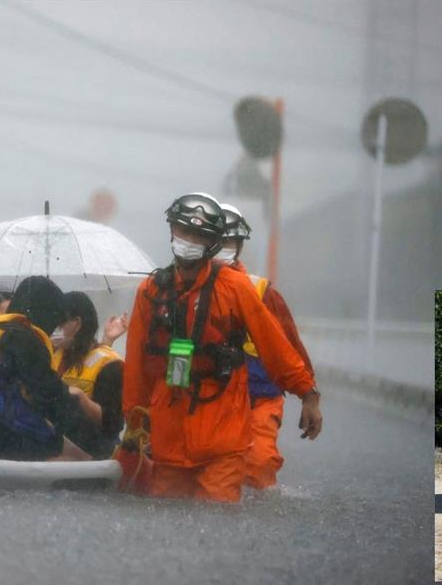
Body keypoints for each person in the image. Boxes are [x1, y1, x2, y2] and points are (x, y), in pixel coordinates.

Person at [122, 193, 323, 503]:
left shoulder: (236, 287)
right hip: (169, 428)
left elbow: (275, 346)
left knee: (218, 515)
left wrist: (307, 393)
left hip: (222, 425)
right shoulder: (150, 291)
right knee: (165, 516)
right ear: (172, 231)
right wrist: (135, 421)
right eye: (183, 231)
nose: (188, 240)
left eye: (198, 235)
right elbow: (137, 362)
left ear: (211, 242)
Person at [217, 203, 315, 490]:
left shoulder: (261, 291)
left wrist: (309, 396)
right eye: (216, 241)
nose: (221, 247)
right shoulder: (184, 289)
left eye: (228, 241)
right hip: (211, 401)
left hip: (260, 399)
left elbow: (290, 347)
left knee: (258, 464)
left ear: (238, 247)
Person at [0, 276, 88, 461]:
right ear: (46, 311)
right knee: (72, 455)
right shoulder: (25, 338)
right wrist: (88, 435)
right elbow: (51, 396)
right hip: (1, 436)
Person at [50, 291, 125, 459]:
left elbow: (113, 424)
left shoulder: (109, 365)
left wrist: (81, 399)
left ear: (77, 323)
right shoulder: (53, 353)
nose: (55, 329)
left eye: (60, 322)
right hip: (57, 443)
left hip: (95, 449)